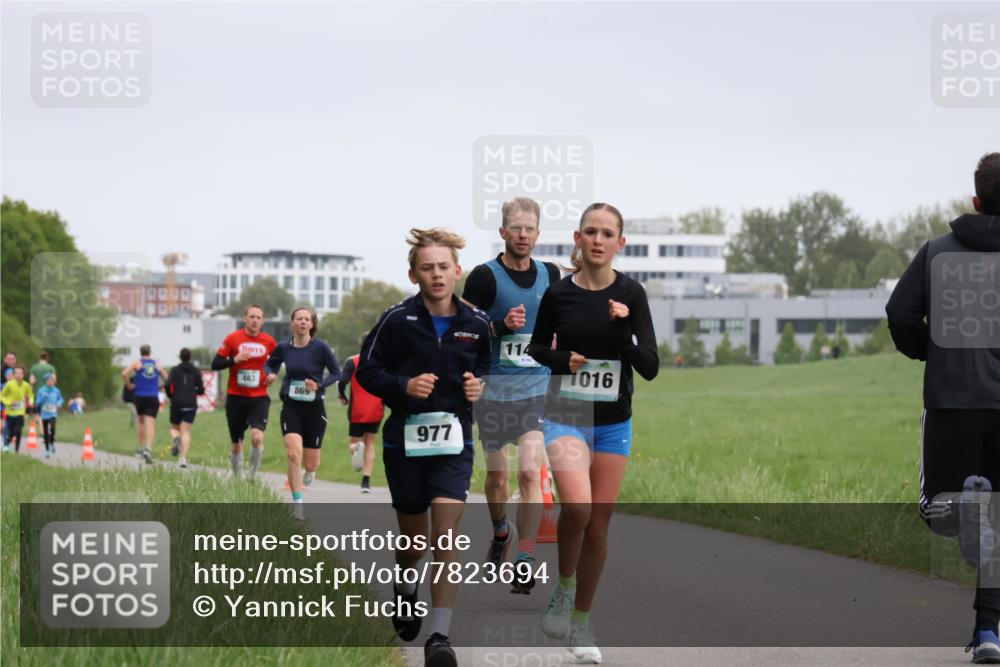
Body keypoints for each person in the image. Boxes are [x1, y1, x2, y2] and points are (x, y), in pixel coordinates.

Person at [526, 203, 659, 663]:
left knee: (599, 529)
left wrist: (624, 332)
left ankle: (581, 623)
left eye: (607, 234)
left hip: (613, 423)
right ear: (578, 239)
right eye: (591, 232)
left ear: (620, 243)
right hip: (566, 414)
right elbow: (537, 347)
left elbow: (651, 366)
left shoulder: (633, 294)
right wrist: (564, 361)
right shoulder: (559, 295)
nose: (598, 240)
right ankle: (563, 588)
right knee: (578, 507)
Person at [886, 152, 1000, 664]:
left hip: (951, 401)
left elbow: (900, 313)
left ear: (975, 200)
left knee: (939, 510)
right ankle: (988, 631)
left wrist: (931, 352)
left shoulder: (936, 252)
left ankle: (967, 512)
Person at [357, 227, 490, 666]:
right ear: (413, 275)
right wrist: (404, 385)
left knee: (446, 535)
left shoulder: (477, 323)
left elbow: (485, 372)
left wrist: (478, 387)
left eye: (444, 268)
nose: (437, 275)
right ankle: (405, 585)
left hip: (454, 442)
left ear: (457, 272)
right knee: (413, 541)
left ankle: (439, 635)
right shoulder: (397, 319)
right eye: (427, 268)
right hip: (405, 443)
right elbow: (367, 372)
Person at [461, 196, 560, 592]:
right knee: (498, 477)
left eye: (530, 228)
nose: (523, 234)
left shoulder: (550, 274)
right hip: (493, 391)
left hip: (536, 388)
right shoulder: (485, 277)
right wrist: (498, 326)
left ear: (538, 233)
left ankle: (526, 557)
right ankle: (501, 531)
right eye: (515, 228)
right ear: (503, 232)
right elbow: (462, 330)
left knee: (529, 471)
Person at [265, 306, 340, 507]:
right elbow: (270, 364)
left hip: (314, 408)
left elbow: (336, 373)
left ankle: (310, 471)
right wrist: (270, 374)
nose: (303, 322)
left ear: (312, 324)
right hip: (291, 406)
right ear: (292, 323)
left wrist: (319, 384)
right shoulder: (283, 348)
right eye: (299, 319)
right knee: (293, 452)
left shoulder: (321, 347)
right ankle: (298, 503)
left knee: (311, 463)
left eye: (307, 319)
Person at [212, 304, 277, 478]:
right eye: (252, 317)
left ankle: (252, 477)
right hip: (236, 397)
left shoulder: (269, 341)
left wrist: (272, 375)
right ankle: (238, 479)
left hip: (259, 398)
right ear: (245, 318)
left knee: (257, 437)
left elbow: (276, 363)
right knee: (236, 443)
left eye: (258, 317)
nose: (255, 320)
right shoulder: (233, 338)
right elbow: (215, 364)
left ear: (262, 321)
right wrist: (234, 360)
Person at [338, 331, 385, 493]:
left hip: (358, 409)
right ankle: (366, 482)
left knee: (354, 443)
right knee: (370, 443)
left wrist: (342, 396)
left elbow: (342, 381)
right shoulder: (383, 362)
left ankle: (357, 447)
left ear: (360, 344)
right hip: (376, 408)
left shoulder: (352, 361)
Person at [121, 345, 168, 464]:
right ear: (150, 352)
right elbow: (168, 379)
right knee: (150, 423)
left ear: (141, 352)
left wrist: (129, 385)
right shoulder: (156, 364)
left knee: (140, 422)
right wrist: (160, 387)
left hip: (139, 396)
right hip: (153, 396)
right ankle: (148, 449)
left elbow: (124, 373)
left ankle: (141, 448)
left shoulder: (137, 363)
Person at [166, 347, 205, 469]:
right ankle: (182, 459)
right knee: (186, 431)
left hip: (176, 402)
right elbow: (201, 389)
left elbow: (167, 384)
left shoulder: (174, 370)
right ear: (190, 357)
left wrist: (170, 395)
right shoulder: (196, 370)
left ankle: (176, 438)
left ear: (180, 357)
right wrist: (197, 391)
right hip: (190, 403)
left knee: (174, 428)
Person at [1, 367, 34, 453]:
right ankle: (7, 444)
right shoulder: (9, 384)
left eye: (20, 373)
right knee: (11, 431)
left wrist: (30, 401)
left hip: (20, 412)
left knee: (18, 430)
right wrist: (9, 402)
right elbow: (2, 396)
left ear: (23, 375)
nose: (19, 375)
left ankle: (16, 450)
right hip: (10, 412)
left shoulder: (26, 385)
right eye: (17, 373)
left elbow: (30, 395)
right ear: (14, 375)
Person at [34, 373, 64, 458]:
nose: (50, 382)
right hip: (44, 414)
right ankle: (47, 450)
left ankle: (52, 442)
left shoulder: (56, 390)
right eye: (48, 380)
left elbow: (61, 399)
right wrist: (43, 398)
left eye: (52, 380)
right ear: (45, 381)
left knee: (53, 428)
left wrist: (59, 403)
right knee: (46, 432)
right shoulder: (41, 390)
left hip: (53, 413)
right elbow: (37, 403)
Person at [1, 352, 14, 447]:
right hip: (2, 402)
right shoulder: (1, 369)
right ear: (5, 359)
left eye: (12, 359)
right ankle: (5, 443)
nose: (10, 361)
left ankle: (6, 441)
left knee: (9, 423)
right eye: (8, 359)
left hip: (12, 403)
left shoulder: (16, 370)